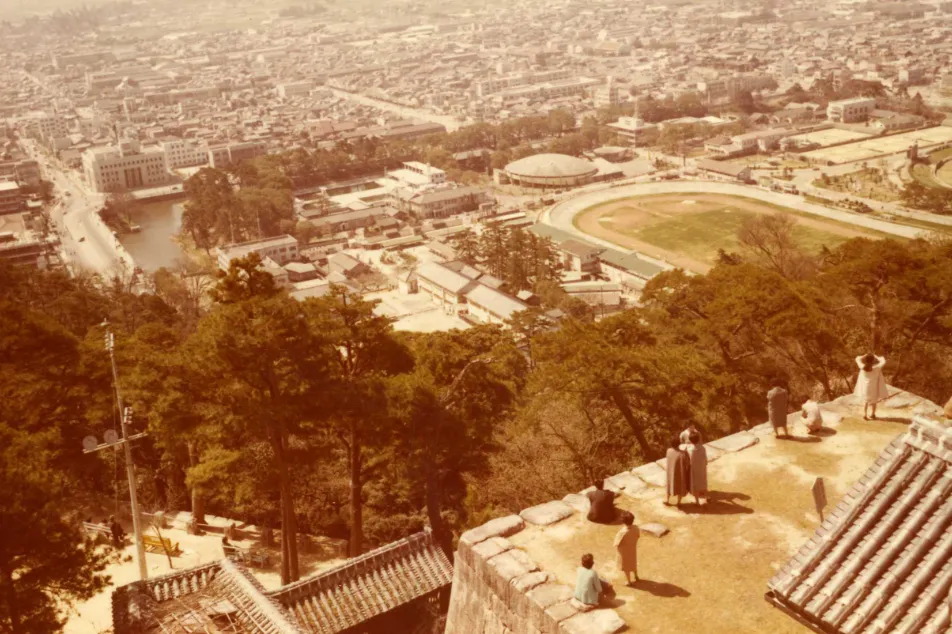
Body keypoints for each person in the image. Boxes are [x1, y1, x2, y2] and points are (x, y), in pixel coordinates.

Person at [854, 354, 888, 420]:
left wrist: (864, 355)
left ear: (866, 360)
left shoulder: (862, 367)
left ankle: (865, 414)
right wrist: (876, 356)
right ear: (873, 360)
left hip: (865, 388)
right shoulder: (877, 368)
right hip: (873, 387)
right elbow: (883, 361)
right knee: (874, 402)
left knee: (865, 401)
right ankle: (872, 414)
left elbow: (857, 358)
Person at [613, 514, 640, 586]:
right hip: (632, 548)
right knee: (633, 562)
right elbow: (638, 536)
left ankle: (628, 581)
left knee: (626, 567)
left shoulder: (622, 532)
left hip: (624, 551)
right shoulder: (636, 528)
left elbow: (616, 543)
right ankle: (636, 576)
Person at [665, 438, 689, 507]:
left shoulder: (668, 451)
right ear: (679, 444)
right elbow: (687, 463)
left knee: (669, 485)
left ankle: (667, 500)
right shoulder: (683, 453)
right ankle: (679, 502)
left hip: (670, 472)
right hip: (680, 473)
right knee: (680, 487)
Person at [686, 433, 708, 504]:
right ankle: (705, 499)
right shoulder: (702, 448)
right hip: (701, 467)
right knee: (703, 483)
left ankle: (697, 502)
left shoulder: (689, 449)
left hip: (693, 469)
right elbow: (705, 459)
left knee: (695, 485)